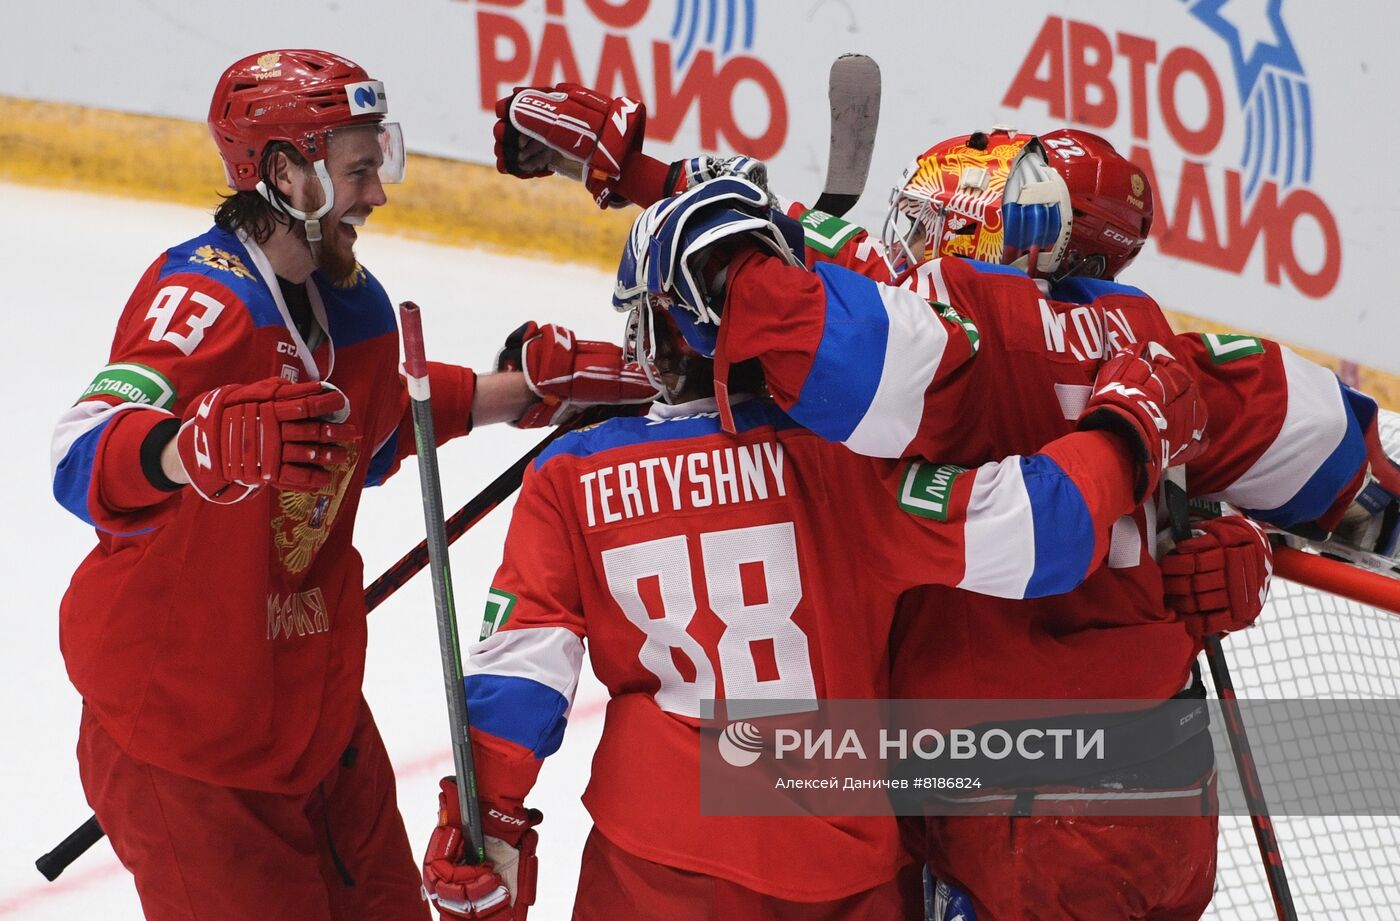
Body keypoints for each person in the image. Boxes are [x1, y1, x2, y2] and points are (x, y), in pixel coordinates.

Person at [487, 88, 1392, 917]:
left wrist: (698, 249)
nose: (904, 240)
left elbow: (826, 331)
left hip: (1008, 802)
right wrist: (1215, 527)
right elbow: (1347, 475)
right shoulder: (1160, 339)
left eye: (927, 222)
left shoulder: (951, 323)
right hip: (1168, 784)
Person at [417, 186, 1209, 920]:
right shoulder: (852, 468)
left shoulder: (574, 473)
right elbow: (1043, 528)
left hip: (654, 856)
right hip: (837, 868)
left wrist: (485, 821)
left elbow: (522, 669)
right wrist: (1127, 434)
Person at [48, 50, 656, 921]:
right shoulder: (203, 299)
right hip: (191, 749)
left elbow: (378, 415)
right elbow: (82, 450)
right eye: (359, 167)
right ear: (286, 174)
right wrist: (193, 448)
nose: (379, 191)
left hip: (319, 726)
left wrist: (528, 391)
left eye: (381, 160)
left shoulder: (354, 303)